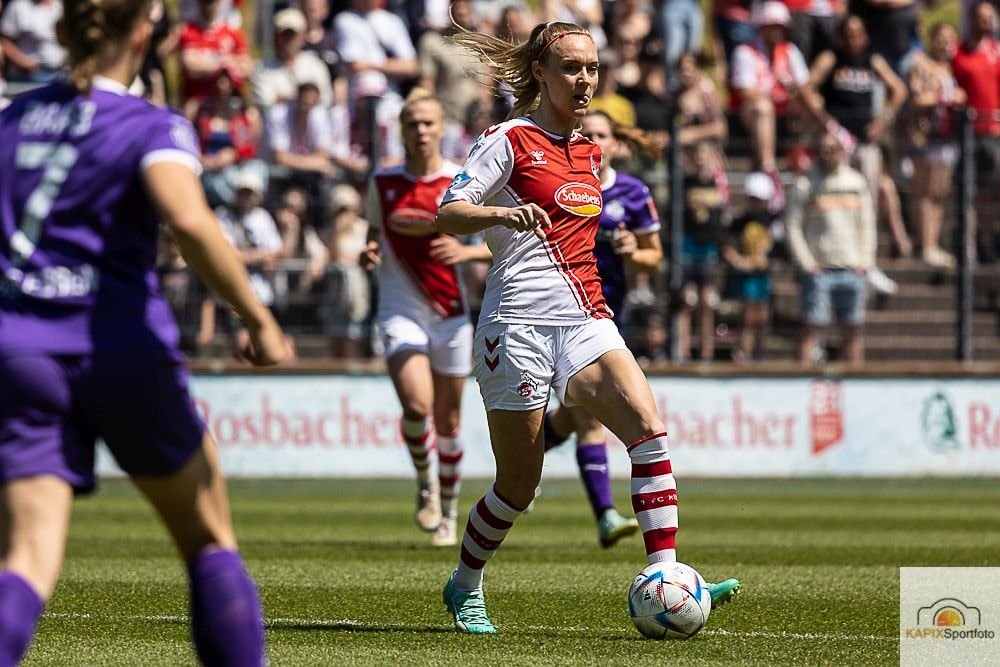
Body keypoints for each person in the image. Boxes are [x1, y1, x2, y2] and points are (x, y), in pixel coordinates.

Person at [0, 0, 287, 662]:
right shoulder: (150, 124)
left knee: (26, 557)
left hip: (21, 352)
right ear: (145, 33)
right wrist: (259, 318)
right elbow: (187, 220)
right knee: (209, 539)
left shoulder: (11, 119)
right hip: (122, 347)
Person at [436, 21, 740, 634]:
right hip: (516, 323)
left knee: (649, 431)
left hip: (585, 317)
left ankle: (668, 578)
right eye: (571, 68)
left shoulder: (590, 152)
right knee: (518, 485)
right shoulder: (508, 139)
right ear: (541, 73)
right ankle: (465, 583)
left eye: (592, 68)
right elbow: (449, 211)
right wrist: (500, 215)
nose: (584, 80)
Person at [361, 87, 490, 548]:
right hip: (400, 309)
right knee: (417, 407)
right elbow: (374, 233)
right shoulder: (383, 181)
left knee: (448, 421)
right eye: (412, 123)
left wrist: (466, 252)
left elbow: (498, 242)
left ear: (442, 129)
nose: (420, 131)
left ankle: (449, 513)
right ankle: (426, 483)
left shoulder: (459, 180)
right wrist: (369, 251)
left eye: (428, 123)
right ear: (401, 129)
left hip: (450, 313)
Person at [541, 109, 663, 548]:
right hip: (563, 314)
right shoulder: (558, 184)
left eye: (601, 134)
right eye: (585, 133)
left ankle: (522, 461)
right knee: (588, 416)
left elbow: (654, 257)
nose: (593, 140)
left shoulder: (632, 192)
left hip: (611, 315)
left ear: (614, 144)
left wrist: (633, 253)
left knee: (574, 414)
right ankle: (606, 514)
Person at [786, 132, 876, 365]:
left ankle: (856, 381)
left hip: (852, 267)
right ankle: (802, 381)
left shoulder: (856, 182)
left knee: (853, 332)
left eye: (832, 150)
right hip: (819, 269)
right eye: (822, 150)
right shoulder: (805, 184)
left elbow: (867, 224)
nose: (826, 155)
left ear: (842, 152)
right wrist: (806, 263)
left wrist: (865, 261)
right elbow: (793, 226)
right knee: (810, 330)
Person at [905, 22, 964, 269]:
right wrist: (943, 97)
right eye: (940, 37)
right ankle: (926, 245)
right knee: (925, 192)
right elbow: (917, 98)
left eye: (950, 38)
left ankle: (933, 244)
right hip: (925, 136)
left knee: (939, 193)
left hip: (948, 137)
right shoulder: (922, 65)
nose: (945, 43)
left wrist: (950, 97)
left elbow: (964, 96)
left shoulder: (954, 68)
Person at [722, 172, 776, 362]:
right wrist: (740, 262)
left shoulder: (773, 221)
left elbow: (774, 250)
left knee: (762, 317)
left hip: (763, 276)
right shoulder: (739, 222)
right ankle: (744, 354)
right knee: (747, 317)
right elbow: (728, 248)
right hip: (745, 277)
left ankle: (759, 355)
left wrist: (761, 260)